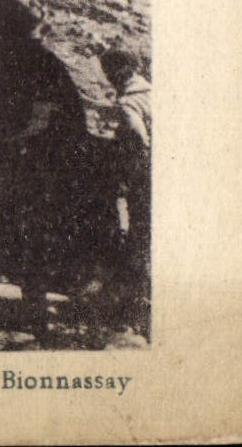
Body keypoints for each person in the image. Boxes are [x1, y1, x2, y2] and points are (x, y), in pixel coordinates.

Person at [0, 0, 115, 335]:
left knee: (20, 220)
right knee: (45, 222)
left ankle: (33, 298)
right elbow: (50, 109)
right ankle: (43, 301)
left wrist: (8, 136)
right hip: (47, 157)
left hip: (16, 153)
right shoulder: (41, 59)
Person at [100, 47, 151, 311]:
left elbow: (138, 137)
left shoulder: (128, 103)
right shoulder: (150, 91)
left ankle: (132, 300)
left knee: (140, 231)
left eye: (109, 73)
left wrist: (130, 172)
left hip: (145, 173)